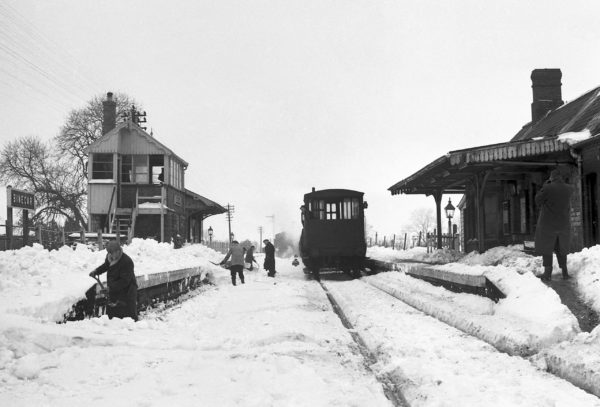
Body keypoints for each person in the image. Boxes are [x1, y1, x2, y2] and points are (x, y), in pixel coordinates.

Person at [534, 169, 573, 281]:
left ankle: (547, 273)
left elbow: (538, 200)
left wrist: (545, 185)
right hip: (563, 224)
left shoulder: (547, 187)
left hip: (548, 224)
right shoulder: (569, 188)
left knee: (547, 248)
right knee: (561, 248)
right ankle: (565, 272)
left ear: (551, 177)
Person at [89, 241, 138, 321]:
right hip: (115, 289)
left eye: (112, 253)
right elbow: (106, 265)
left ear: (118, 251)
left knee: (129, 316)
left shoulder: (126, 261)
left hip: (128, 291)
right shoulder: (110, 257)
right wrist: (96, 271)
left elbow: (125, 281)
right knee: (113, 314)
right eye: (109, 253)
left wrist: (110, 288)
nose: (110, 255)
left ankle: (132, 327)